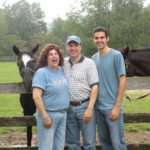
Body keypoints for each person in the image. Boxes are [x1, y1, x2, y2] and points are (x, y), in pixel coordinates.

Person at [92, 26, 127, 150]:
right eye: (96, 38)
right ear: (93, 40)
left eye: (102, 37)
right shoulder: (94, 58)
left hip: (112, 108)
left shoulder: (116, 55)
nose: (99, 40)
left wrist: (117, 106)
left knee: (118, 144)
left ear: (107, 38)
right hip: (98, 108)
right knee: (104, 143)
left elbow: (122, 80)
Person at [63, 35, 99, 150]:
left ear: (80, 47)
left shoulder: (89, 63)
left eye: (76, 45)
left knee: (89, 143)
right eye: (70, 45)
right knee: (72, 144)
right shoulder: (63, 63)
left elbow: (95, 86)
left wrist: (90, 108)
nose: (73, 48)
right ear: (66, 47)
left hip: (84, 106)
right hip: (68, 107)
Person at [32, 44, 69, 150]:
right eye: (50, 54)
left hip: (62, 115)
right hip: (48, 115)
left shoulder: (61, 70)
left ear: (59, 56)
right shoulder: (41, 73)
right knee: (46, 147)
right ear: (46, 58)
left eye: (56, 54)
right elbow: (36, 96)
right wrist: (45, 116)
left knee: (59, 147)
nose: (54, 56)